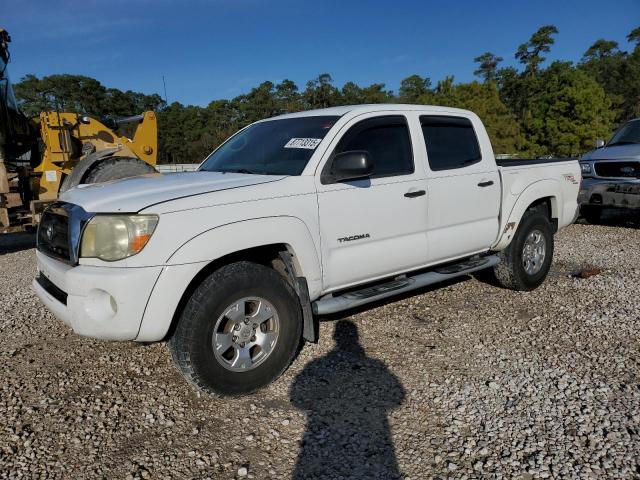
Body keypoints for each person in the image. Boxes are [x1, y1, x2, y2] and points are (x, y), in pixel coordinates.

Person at [290, 320, 406, 479]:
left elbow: (296, 398)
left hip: (326, 432)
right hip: (371, 430)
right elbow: (398, 397)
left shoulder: (316, 364)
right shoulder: (376, 366)